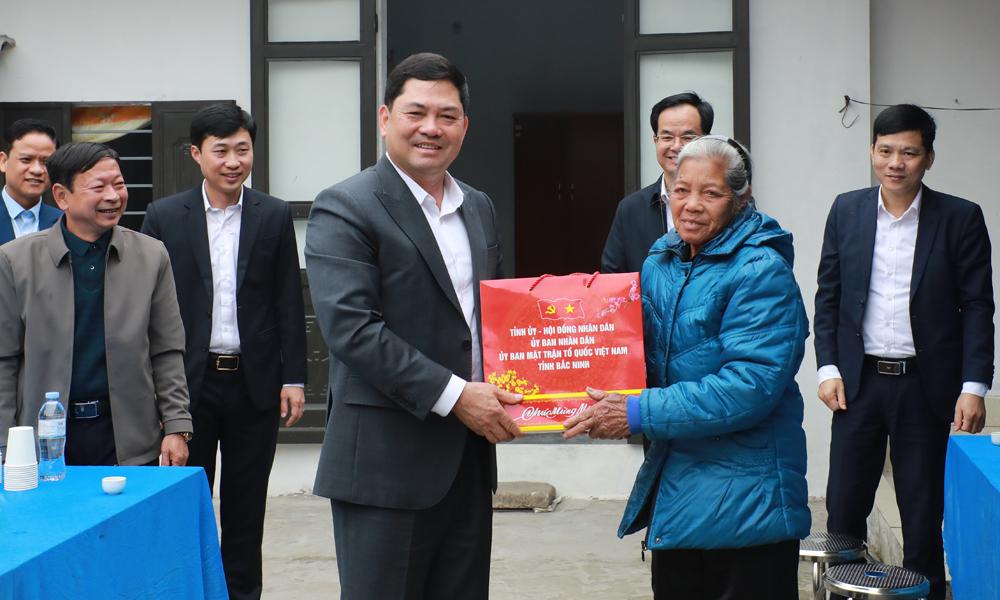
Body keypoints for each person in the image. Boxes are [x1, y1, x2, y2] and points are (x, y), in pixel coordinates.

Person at [305, 52, 523, 600]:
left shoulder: (478, 206)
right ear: (385, 118)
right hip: (384, 465)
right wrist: (458, 396)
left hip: (467, 462)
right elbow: (353, 331)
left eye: (447, 116)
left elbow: (490, 318)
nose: (432, 128)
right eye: (416, 113)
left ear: (465, 126)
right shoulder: (346, 206)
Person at [565, 135, 810, 599]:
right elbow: (633, 352)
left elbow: (749, 387)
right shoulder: (662, 259)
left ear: (740, 199)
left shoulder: (761, 271)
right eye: (681, 190)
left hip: (747, 502)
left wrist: (635, 411)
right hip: (679, 492)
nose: (692, 205)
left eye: (710, 193)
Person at [814, 104, 993, 600]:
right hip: (857, 386)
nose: (896, 163)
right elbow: (828, 297)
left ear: (928, 158)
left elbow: (978, 305)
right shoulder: (846, 210)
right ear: (872, 151)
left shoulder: (960, 217)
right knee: (843, 512)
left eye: (909, 153)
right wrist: (827, 368)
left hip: (925, 388)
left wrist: (974, 385)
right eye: (885, 150)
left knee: (921, 516)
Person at [142, 103, 307, 600]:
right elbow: (144, 306)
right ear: (196, 154)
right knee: (187, 502)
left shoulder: (272, 214)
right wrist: (154, 390)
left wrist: (294, 377)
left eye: (242, 149)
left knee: (246, 508)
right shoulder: (165, 216)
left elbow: (288, 299)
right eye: (221, 151)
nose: (233, 161)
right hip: (188, 384)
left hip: (255, 384)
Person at [0, 142, 192, 465]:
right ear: (62, 196)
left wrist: (176, 425)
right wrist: (5, 442)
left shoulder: (151, 255)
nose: (113, 196)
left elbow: (167, 350)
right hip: (44, 440)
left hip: (130, 439)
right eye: (98, 187)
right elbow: (4, 359)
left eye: (119, 184)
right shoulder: (15, 260)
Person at [601, 92, 713, 273]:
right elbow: (613, 279)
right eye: (667, 137)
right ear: (655, 141)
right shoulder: (630, 210)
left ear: (706, 140)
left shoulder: (726, 202)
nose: (676, 146)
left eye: (687, 137)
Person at [1, 118, 61, 244]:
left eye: (46, 162)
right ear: (3, 161)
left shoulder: (64, 223)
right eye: (26, 160)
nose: (37, 170)